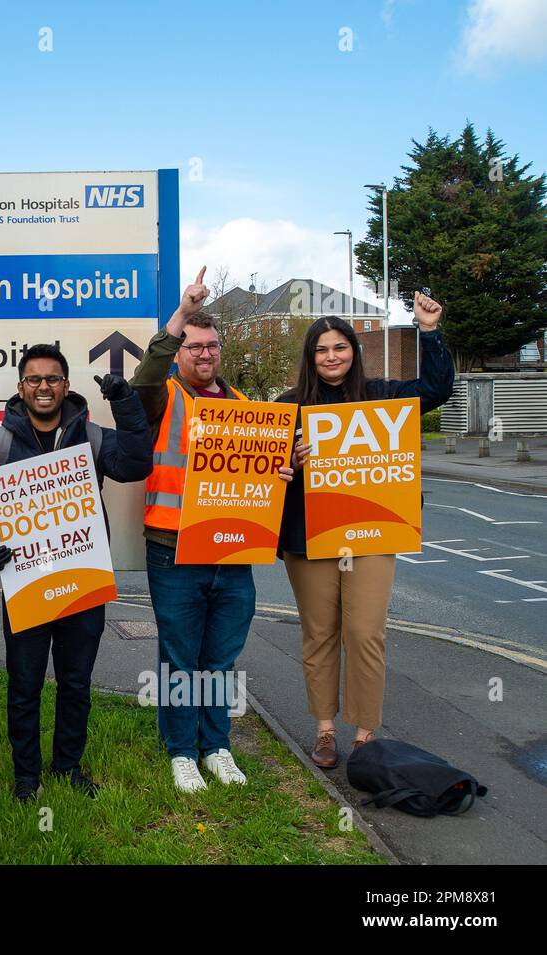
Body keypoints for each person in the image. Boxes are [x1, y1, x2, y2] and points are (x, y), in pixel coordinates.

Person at [0, 344, 153, 801]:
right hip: (26, 584)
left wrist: (124, 402)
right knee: (25, 684)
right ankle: (26, 777)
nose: (43, 387)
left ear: (65, 386)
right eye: (34, 379)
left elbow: (136, 464)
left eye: (52, 379)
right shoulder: (1, 443)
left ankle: (68, 767)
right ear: (20, 388)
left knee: (75, 682)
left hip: (81, 581)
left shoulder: (90, 436)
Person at [132, 267, 295, 793]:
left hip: (231, 552)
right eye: (193, 345)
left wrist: (282, 470)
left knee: (221, 658)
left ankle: (216, 746)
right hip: (173, 549)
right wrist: (179, 313)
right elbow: (144, 378)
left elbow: (261, 482)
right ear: (180, 350)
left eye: (212, 346)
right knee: (181, 656)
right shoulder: (163, 397)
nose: (204, 354)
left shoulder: (249, 409)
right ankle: (182, 752)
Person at [278, 292, 454, 768]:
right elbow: (266, 478)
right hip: (308, 535)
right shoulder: (288, 405)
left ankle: (366, 734)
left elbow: (437, 390)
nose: (331, 357)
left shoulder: (383, 396)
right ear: (310, 357)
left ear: (354, 351)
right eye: (321, 349)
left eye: (340, 347)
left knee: (365, 631)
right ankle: (325, 730)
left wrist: (429, 331)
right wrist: (287, 465)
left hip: (371, 533)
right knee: (319, 633)